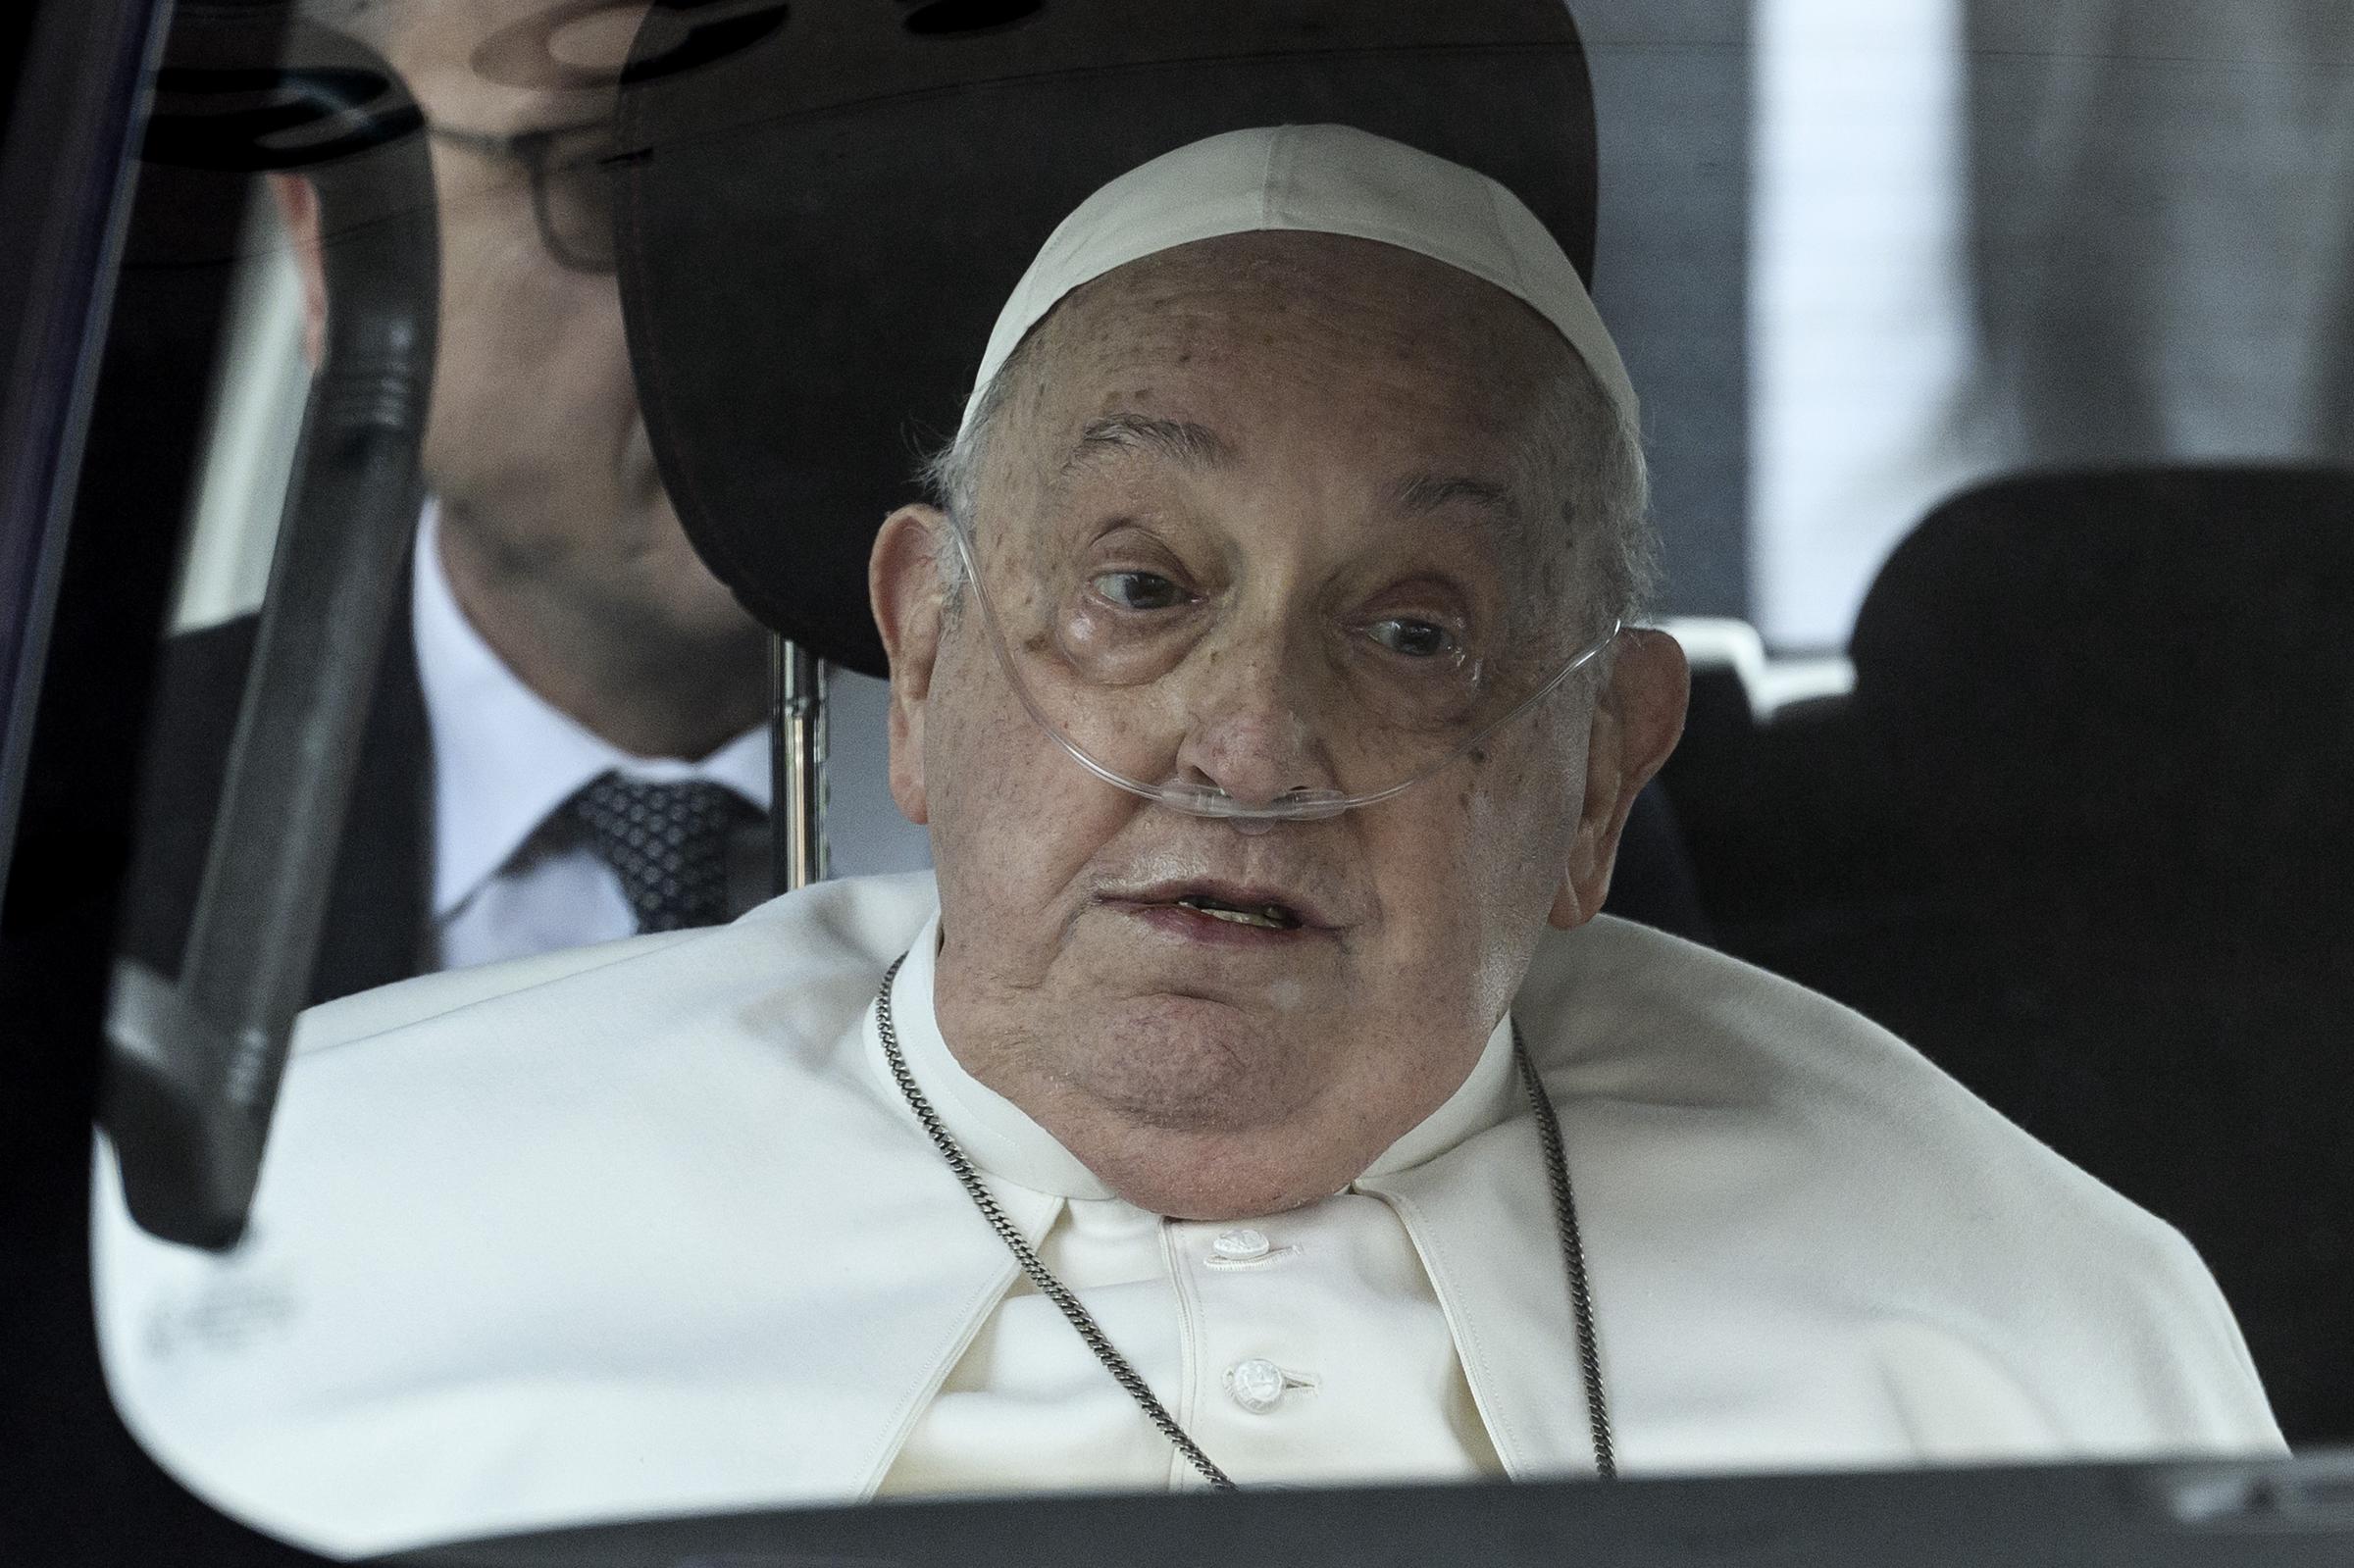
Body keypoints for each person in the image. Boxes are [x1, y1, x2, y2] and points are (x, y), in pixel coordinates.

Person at [93, 125, 2280, 1558]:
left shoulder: (2028, 1320)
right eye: (1141, 585)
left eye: (1416, 627)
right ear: (927, 654)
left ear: (1600, 775)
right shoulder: (320, 1229)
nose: (1252, 739)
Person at [118, 0, 921, 1001]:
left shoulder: (1122, 803)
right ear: (331, 244)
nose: (764, 287)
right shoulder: (75, 817)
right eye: (604, 168)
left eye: (826, 149)